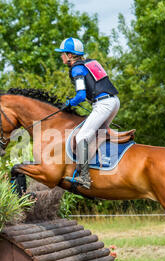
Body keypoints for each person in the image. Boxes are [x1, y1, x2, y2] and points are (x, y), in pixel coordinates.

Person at [55, 37, 120, 189]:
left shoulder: (76, 68)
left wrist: (68, 103)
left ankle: (84, 177)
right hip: (114, 101)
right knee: (97, 134)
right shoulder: (90, 63)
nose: (61, 56)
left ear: (70, 55)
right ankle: (101, 164)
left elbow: (81, 96)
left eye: (63, 53)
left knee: (81, 137)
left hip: (103, 104)